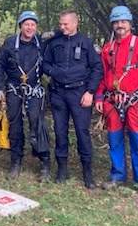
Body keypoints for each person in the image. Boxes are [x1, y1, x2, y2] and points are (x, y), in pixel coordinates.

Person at [95, 6, 138, 198]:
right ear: (112, 25)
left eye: (123, 21)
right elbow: (104, 76)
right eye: (116, 22)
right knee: (114, 140)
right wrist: (98, 96)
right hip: (113, 101)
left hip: (135, 101)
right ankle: (118, 175)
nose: (120, 25)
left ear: (130, 23)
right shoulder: (108, 49)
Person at [42, 10, 103, 188]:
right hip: (59, 93)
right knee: (60, 132)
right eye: (60, 24)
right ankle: (62, 169)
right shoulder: (54, 42)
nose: (62, 27)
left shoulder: (86, 42)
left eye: (65, 24)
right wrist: (54, 72)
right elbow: (45, 63)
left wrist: (90, 92)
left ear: (76, 23)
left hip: (80, 93)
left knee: (82, 132)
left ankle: (87, 173)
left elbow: (97, 68)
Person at [0, 11, 51, 181]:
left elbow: (66, 31)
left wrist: (54, 33)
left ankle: (45, 162)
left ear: (36, 27)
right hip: (14, 90)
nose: (30, 27)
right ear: (20, 26)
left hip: (34, 90)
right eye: (26, 24)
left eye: (33, 24)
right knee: (15, 125)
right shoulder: (10, 44)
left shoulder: (41, 42)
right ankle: (16, 161)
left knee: (38, 125)